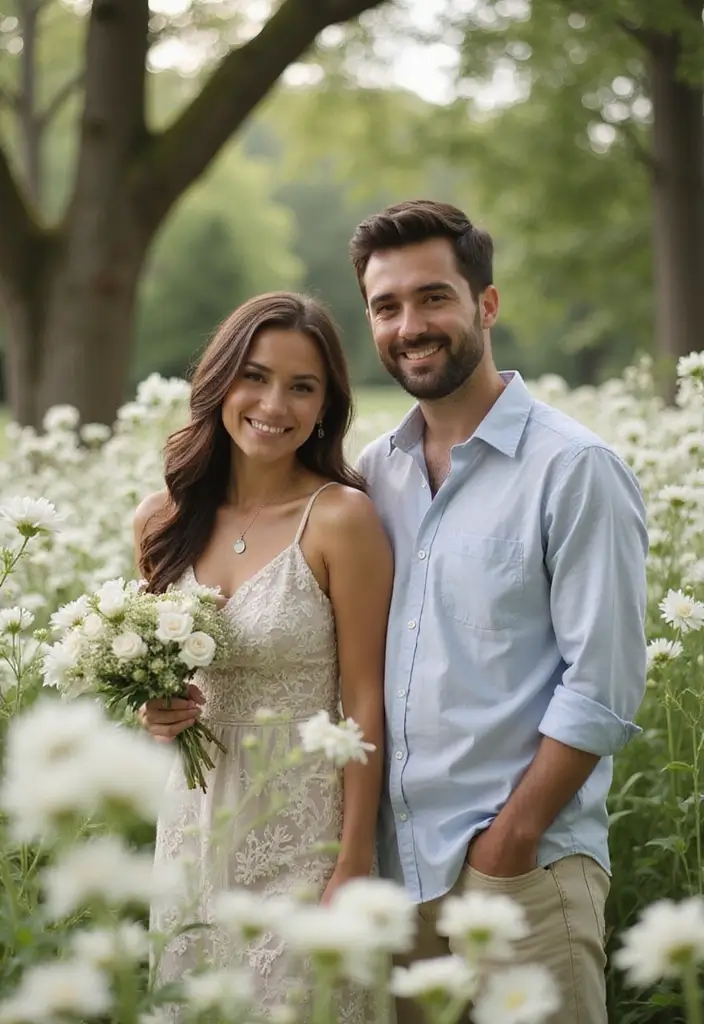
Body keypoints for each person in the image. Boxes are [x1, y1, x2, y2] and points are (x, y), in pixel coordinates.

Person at [349, 200, 648, 1024]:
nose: (411, 324)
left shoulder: (575, 468)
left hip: (522, 874)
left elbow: (605, 686)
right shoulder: (374, 474)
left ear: (485, 304)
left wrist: (510, 842)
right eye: (387, 306)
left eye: (433, 297)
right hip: (393, 879)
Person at [135, 291, 392, 1021]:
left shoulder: (341, 518)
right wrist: (156, 713)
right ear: (220, 382)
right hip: (191, 826)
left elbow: (364, 699)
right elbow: (159, 683)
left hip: (302, 830)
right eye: (255, 376)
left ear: (324, 408)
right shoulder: (161, 522)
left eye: (301, 386)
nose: (273, 403)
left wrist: (353, 863)